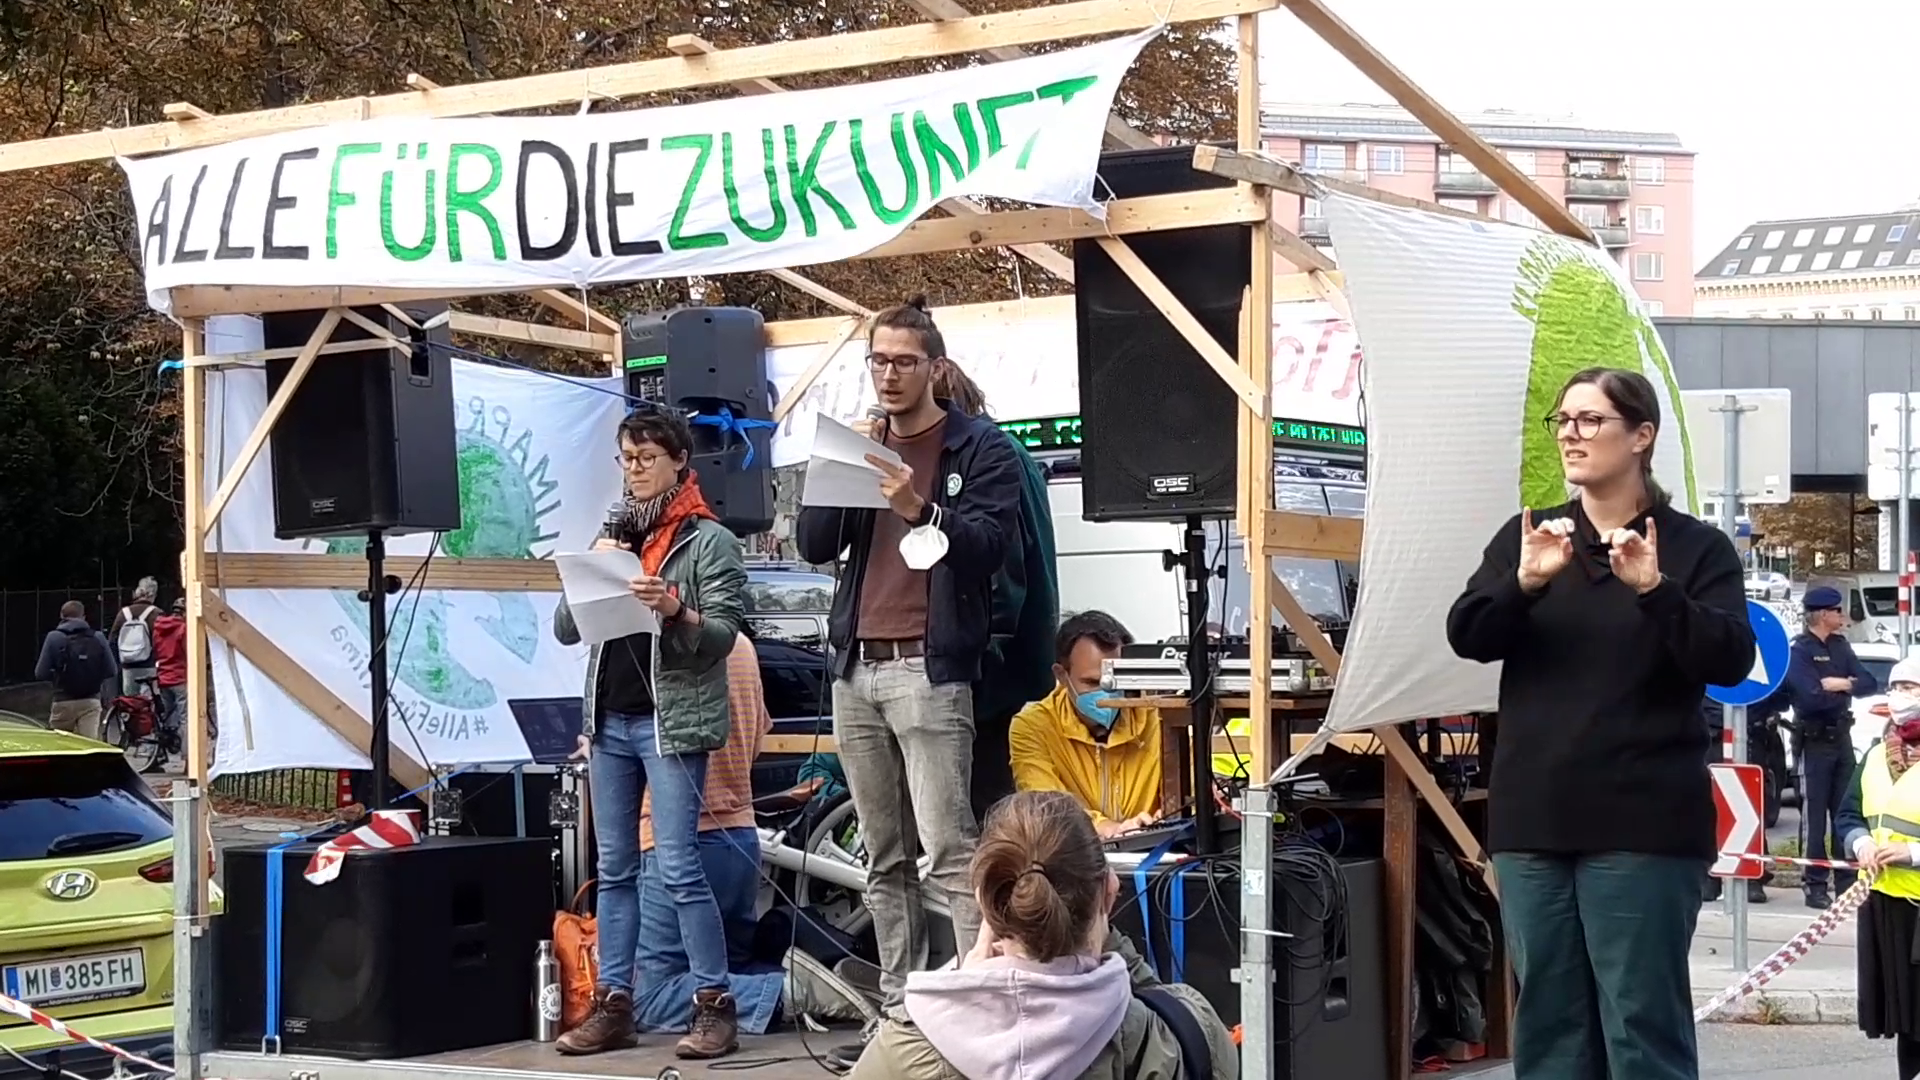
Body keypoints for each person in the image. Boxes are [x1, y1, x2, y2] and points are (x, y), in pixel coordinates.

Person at [1446, 367, 1753, 1080]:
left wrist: (1654, 590)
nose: (1572, 436)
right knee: (1549, 1023)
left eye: (1591, 420)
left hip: (1642, 824)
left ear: (1641, 436)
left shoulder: (1693, 549)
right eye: (1564, 421)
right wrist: (1523, 584)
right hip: (1535, 821)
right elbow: (1470, 633)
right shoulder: (1531, 539)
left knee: (1640, 1023)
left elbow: (1732, 658)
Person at [793, 295, 1022, 1067]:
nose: (888, 375)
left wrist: (920, 506)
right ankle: (901, 1011)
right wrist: (835, 469)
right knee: (882, 855)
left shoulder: (977, 447)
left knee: (949, 850)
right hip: (857, 671)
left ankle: (977, 1011)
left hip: (930, 667)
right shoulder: (864, 443)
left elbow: (990, 546)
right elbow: (814, 544)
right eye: (877, 361)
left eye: (902, 361)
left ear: (934, 366)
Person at [552, 407, 747, 1060]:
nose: (632, 471)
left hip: (670, 725)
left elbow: (720, 637)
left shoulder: (708, 541)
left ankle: (715, 1006)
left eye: (645, 459)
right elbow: (565, 629)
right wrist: (595, 567)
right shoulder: (615, 534)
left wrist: (674, 608)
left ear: (678, 463)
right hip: (609, 722)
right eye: (625, 459)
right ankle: (615, 1005)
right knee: (614, 871)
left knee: (679, 866)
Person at [847, 790, 1237, 1080]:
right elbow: (1158, 1002)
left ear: (986, 904)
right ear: (1110, 891)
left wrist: (965, 987)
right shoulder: (1185, 1033)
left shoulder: (902, 1051)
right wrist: (1109, 945)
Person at [631, 632, 876, 1038]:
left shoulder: (659, 645)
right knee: (730, 965)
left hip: (674, 840)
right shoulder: (740, 645)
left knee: (648, 996)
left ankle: (792, 990)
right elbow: (758, 735)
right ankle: (813, 978)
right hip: (740, 839)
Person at [928, 356, 1060, 819]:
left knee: (979, 818)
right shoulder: (1017, 456)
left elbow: (1000, 570)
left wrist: (981, 650)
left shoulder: (986, 459)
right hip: (1019, 666)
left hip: (989, 676)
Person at [1009, 611, 1163, 837]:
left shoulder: (1159, 716)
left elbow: (1192, 795)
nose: (1106, 694)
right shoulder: (1032, 726)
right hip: (1071, 858)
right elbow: (1046, 807)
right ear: (1061, 675)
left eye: (1115, 681)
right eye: (1092, 682)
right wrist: (1109, 829)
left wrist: (1165, 819)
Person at [1838, 655, 1920, 1078]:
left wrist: (1914, 854)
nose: (1899, 697)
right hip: (1887, 904)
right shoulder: (1876, 753)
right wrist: (1861, 841)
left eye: (1910, 688)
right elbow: (1848, 814)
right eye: (1895, 687)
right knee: (1906, 1021)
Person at [1785, 584, 1878, 909]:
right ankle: (1814, 885)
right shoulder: (1800, 650)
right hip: (1813, 741)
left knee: (1845, 812)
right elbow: (1810, 698)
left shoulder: (1840, 647)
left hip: (1841, 740)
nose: (1842, 616)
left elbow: (1868, 683)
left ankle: (1846, 883)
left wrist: (1840, 684)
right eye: (1837, 611)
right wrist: (1841, 689)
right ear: (1823, 615)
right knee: (1814, 818)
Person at [34, 601, 117, 740]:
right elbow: (111, 670)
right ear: (83, 617)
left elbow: (40, 673)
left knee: (60, 746)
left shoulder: (54, 637)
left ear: (61, 616)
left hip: (63, 700)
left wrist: (58, 677)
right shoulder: (98, 637)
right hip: (91, 701)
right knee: (88, 746)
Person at [110, 577, 161, 695]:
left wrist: (119, 662)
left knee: (130, 702)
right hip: (149, 665)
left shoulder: (123, 613)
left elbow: (113, 640)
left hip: (128, 666)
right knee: (149, 702)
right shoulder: (156, 613)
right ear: (153, 594)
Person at [152, 598, 188, 751]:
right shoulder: (183, 628)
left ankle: (157, 753)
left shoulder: (158, 628)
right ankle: (189, 758)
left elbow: (155, 650)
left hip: (163, 677)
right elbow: (189, 652)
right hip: (180, 677)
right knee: (187, 718)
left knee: (163, 718)